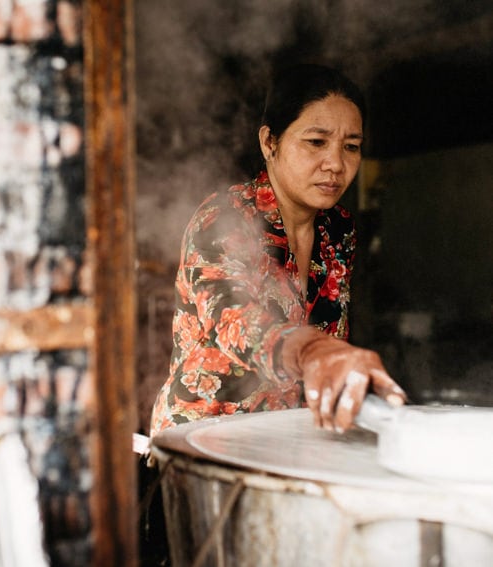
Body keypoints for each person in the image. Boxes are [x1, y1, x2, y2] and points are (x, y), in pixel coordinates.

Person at [150, 64, 407, 437]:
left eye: (351, 147)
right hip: (204, 440)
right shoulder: (224, 218)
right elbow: (234, 320)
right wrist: (313, 352)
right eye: (316, 142)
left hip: (286, 438)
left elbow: (332, 330)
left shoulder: (338, 229)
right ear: (270, 142)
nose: (335, 164)